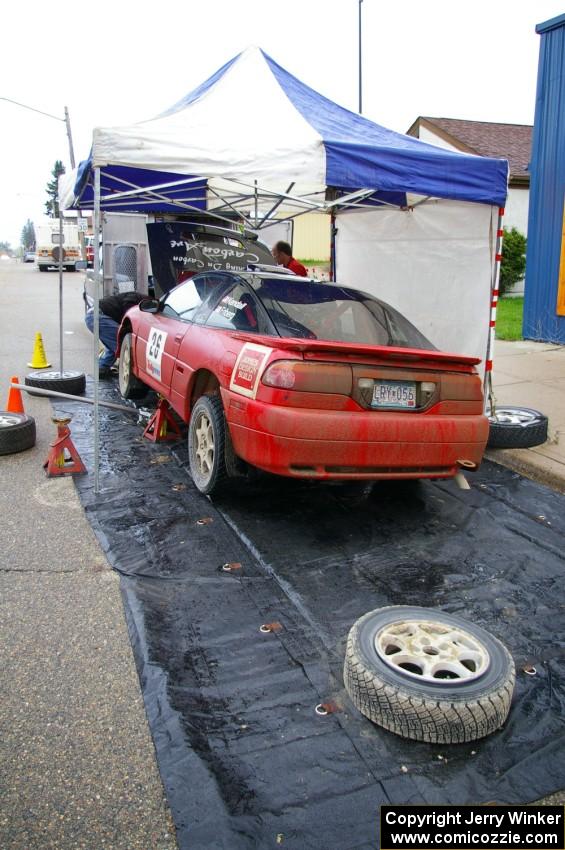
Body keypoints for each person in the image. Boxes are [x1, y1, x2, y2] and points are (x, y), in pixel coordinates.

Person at [85, 291, 145, 377]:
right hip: (97, 316)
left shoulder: (135, 297)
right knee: (121, 343)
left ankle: (102, 368)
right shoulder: (139, 299)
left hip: (93, 316)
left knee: (116, 343)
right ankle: (133, 376)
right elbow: (129, 310)